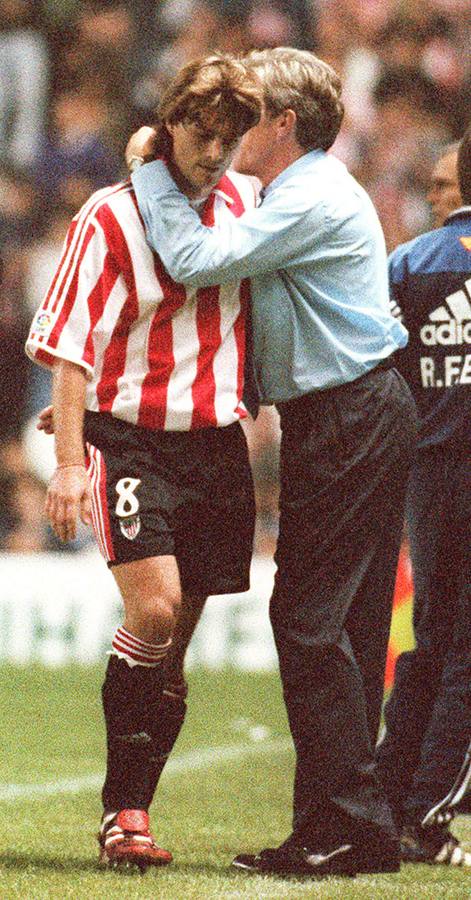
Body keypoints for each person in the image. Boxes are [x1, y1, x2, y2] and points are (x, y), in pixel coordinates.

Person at [127, 46, 418, 877]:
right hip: (355, 410)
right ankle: (351, 827)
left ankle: (344, 823)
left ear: (282, 125)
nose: (226, 131)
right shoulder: (297, 191)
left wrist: (152, 168)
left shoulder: (310, 199)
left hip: (347, 415)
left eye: (245, 114)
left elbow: (193, 261)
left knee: (309, 621)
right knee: (347, 627)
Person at [26, 53, 262, 871]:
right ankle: (119, 810)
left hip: (214, 443)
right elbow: (66, 348)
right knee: (154, 612)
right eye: (202, 133)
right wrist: (65, 463)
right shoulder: (107, 215)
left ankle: (134, 813)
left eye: (230, 138)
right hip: (128, 436)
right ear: (170, 125)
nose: (215, 152)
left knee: (177, 647)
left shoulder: (247, 203)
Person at [375, 128, 471, 867]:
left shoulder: (406, 263)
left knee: (430, 644)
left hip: (428, 473)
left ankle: (386, 797)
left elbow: (374, 365)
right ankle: (426, 814)